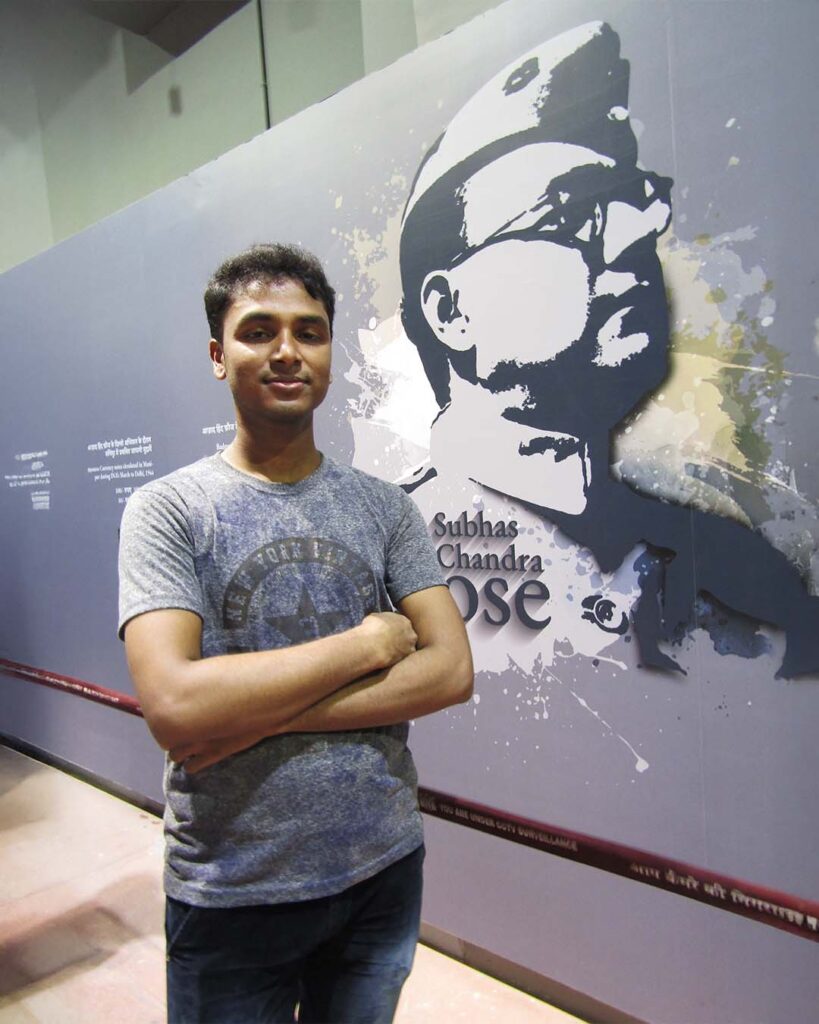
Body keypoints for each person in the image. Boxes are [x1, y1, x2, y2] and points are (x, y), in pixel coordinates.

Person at [118, 243, 473, 1024]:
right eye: (258, 331)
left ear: (329, 353)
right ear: (218, 354)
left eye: (308, 332)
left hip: (381, 869)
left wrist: (244, 719)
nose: (286, 351)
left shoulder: (387, 509)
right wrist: (367, 645)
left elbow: (450, 672)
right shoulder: (170, 511)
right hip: (233, 887)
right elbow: (175, 706)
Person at [398, 21, 819, 678]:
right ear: (452, 311)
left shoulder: (733, 568)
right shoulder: (388, 541)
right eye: (571, 216)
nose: (629, 250)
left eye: (635, 208)